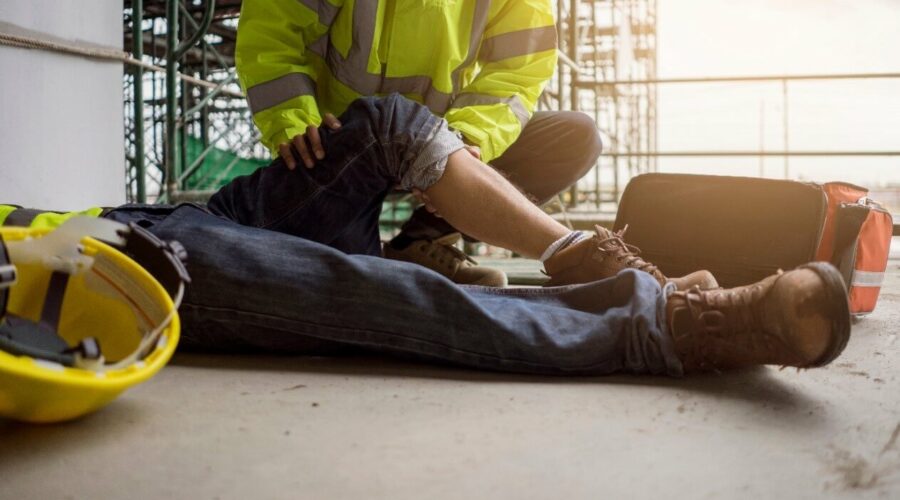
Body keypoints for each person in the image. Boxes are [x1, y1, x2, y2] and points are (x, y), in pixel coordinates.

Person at [1, 95, 851, 375]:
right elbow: (273, 38)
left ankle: (569, 253)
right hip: (109, 253)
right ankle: (662, 323)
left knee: (387, 125)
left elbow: (513, 87)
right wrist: (292, 112)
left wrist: (455, 148)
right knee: (226, 270)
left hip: (177, 217)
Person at [235, 0, 603, 286]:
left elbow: (516, 73)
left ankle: (421, 242)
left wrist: (469, 140)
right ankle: (367, 250)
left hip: (440, 144)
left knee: (574, 136)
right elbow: (272, 34)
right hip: (340, 149)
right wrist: (293, 120)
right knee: (359, 285)